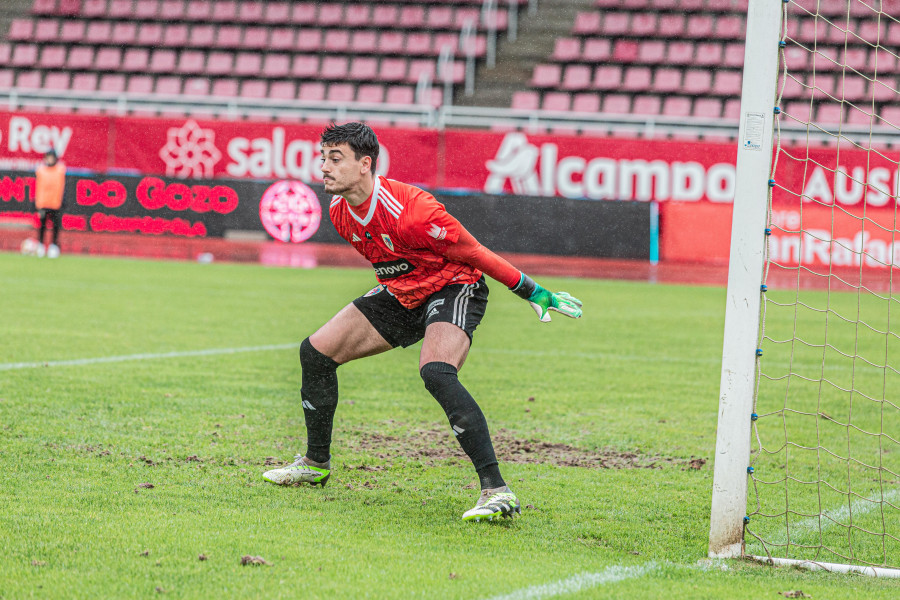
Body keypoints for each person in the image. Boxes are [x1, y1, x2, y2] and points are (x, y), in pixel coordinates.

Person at [263, 123, 582, 522]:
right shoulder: (340, 212)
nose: (323, 167)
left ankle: (497, 490)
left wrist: (533, 291)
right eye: (323, 157)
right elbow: (394, 265)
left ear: (365, 164)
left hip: (454, 287)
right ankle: (314, 463)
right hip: (403, 292)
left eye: (335, 158)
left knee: (437, 372)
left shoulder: (415, 211)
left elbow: (476, 253)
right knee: (315, 353)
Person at [34, 149, 66, 258]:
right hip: (43, 203)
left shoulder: (60, 170)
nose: (50, 159)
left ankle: (54, 246)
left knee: (55, 226)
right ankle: (41, 245)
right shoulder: (41, 170)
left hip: (55, 203)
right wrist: (37, 204)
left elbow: (62, 187)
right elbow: (38, 188)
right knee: (42, 226)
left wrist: (62, 201)